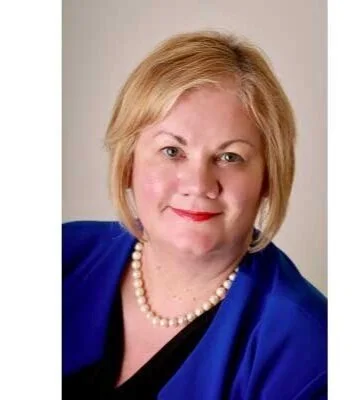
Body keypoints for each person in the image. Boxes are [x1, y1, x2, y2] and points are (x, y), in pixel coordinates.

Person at [63, 31, 327, 399]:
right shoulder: (64, 255)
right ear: (128, 162)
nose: (199, 184)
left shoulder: (308, 349)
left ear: (268, 178)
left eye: (230, 157)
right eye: (172, 151)